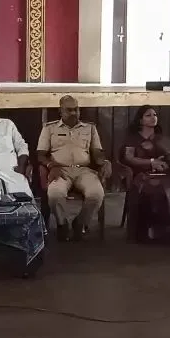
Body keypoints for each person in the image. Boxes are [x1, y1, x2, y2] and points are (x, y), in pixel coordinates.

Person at [37, 95, 111, 241]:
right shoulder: (49, 128)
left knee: (96, 194)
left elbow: (97, 152)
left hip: (84, 170)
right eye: (69, 110)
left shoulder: (89, 128)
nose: (73, 113)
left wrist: (105, 162)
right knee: (55, 194)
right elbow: (40, 154)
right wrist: (51, 165)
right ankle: (62, 224)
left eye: (76, 109)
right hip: (60, 170)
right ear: (60, 111)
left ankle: (80, 223)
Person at [120, 105, 170, 245]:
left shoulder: (162, 138)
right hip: (141, 174)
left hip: (165, 173)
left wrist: (167, 162)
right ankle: (150, 231)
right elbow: (129, 158)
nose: (153, 117)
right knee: (156, 189)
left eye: (155, 115)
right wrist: (151, 162)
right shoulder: (133, 138)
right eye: (148, 115)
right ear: (140, 120)